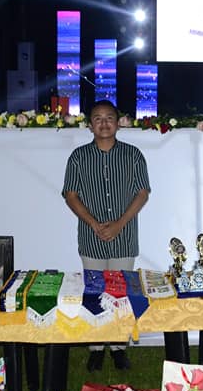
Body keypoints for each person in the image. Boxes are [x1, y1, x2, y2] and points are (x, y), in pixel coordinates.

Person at [62, 100, 151, 371]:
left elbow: (142, 193)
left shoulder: (133, 155)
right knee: (95, 292)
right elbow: (70, 195)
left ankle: (119, 347)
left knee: (121, 293)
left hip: (124, 236)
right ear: (90, 124)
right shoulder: (78, 157)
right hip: (91, 237)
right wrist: (94, 224)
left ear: (118, 122)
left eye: (109, 118)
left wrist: (119, 224)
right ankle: (96, 348)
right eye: (98, 118)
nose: (104, 123)